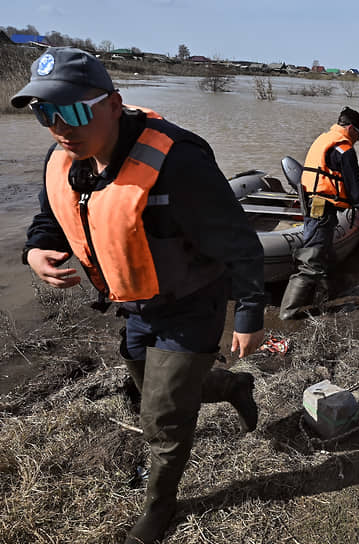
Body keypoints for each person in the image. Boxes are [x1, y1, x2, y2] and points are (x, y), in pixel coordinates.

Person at [12, 47, 266, 544]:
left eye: (73, 110)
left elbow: (240, 242)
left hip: (192, 304)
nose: (60, 127)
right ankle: (233, 387)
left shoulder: (179, 162)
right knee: (147, 389)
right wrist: (36, 250)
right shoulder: (66, 157)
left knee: (163, 415)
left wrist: (249, 314)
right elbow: (52, 219)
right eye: (46, 113)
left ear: (114, 103)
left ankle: (160, 507)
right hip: (135, 304)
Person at [279, 107, 359, 319]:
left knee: (322, 252)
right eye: (358, 134)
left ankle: (322, 296)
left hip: (315, 202)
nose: (358, 139)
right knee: (312, 258)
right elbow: (353, 185)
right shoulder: (344, 149)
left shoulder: (324, 138)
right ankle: (288, 313)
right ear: (350, 128)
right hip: (321, 206)